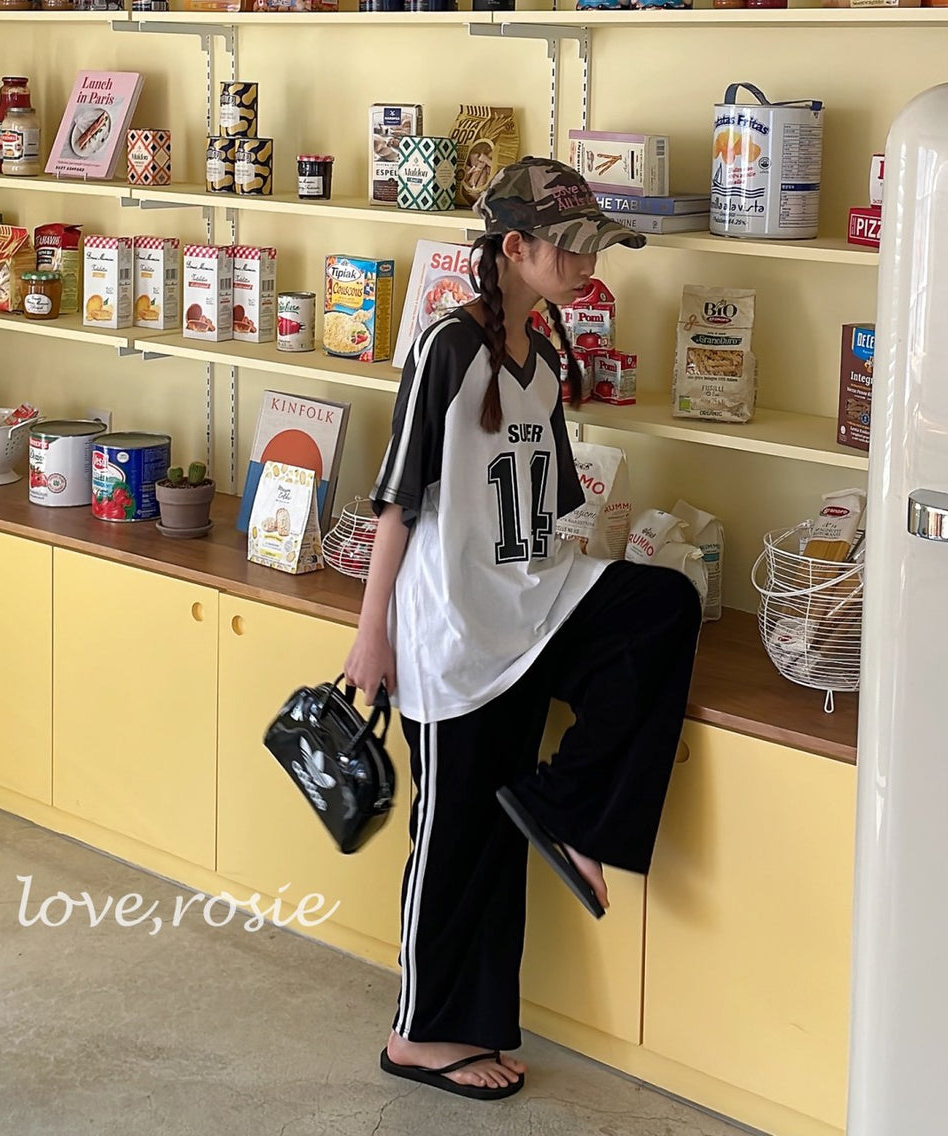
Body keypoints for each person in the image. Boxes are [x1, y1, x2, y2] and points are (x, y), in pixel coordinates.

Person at [343, 157, 703, 1102]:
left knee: (661, 608)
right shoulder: (446, 347)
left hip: (530, 607)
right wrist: (372, 632)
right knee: (458, 843)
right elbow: (398, 499)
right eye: (573, 250)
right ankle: (421, 1037)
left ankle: (569, 811)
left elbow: (545, 505)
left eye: (596, 250)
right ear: (516, 248)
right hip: (453, 631)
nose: (589, 266)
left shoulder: (543, 364)